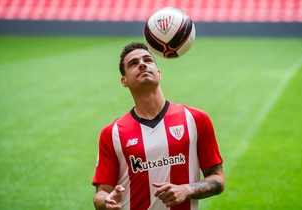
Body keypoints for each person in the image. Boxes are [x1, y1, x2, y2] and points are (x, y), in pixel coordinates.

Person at [92, 42, 225, 210]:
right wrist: (107, 201)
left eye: (148, 60)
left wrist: (187, 189)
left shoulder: (196, 119)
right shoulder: (112, 133)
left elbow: (218, 179)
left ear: (159, 73)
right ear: (124, 81)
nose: (142, 64)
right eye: (133, 63)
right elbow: (101, 193)